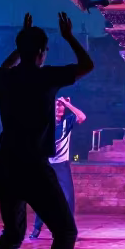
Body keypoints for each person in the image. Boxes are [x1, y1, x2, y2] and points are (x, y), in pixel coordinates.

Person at [0, 12, 93, 249]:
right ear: (43, 52)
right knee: (66, 231)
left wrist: (22, 39)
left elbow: (4, 67)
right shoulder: (46, 77)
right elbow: (87, 66)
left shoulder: (3, 79)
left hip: (6, 164)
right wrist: (69, 37)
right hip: (34, 166)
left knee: (12, 233)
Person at [31, 96, 86, 239]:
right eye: (56, 105)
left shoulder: (67, 121)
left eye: (61, 105)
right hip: (47, 165)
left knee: (68, 198)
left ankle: (69, 229)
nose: (59, 107)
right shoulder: (45, 123)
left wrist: (68, 104)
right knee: (43, 198)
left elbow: (82, 116)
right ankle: (36, 228)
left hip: (62, 166)